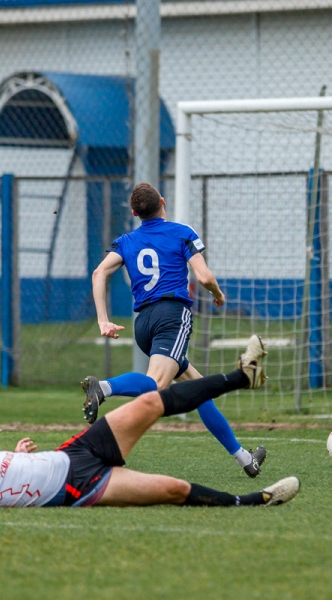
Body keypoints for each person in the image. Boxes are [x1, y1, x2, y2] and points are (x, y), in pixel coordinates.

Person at [0, 335, 298, 512]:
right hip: (81, 486)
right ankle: (254, 500)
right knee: (173, 489)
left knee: (150, 401)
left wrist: (19, 457)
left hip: (77, 450)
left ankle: (242, 376)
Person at [83, 182, 266, 478]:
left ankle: (245, 458)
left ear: (135, 213)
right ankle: (103, 387)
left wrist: (103, 320)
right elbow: (204, 277)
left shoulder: (126, 240)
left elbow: (99, 272)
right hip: (172, 316)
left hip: (144, 322)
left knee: (199, 390)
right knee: (156, 384)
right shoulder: (182, 232)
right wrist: (218, 294)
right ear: (163, 202)